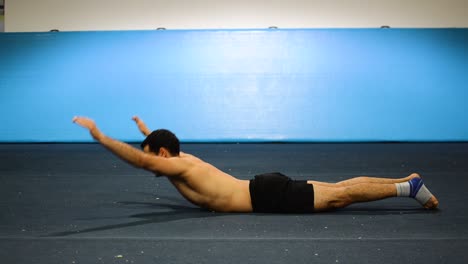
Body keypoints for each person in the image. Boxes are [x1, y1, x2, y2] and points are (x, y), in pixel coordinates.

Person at [72, 116, 439, 213]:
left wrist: (101, 137)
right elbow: (155, 149)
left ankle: (408, 188)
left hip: (265, 196)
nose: (150, 158)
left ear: (162, 154)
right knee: (339, 189)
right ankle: (407, 181)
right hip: (264, 188)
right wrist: (145, 129)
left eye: (152, 150)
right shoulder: (181, 157)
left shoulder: (178, 166)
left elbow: (141, 160)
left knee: (339, 197)